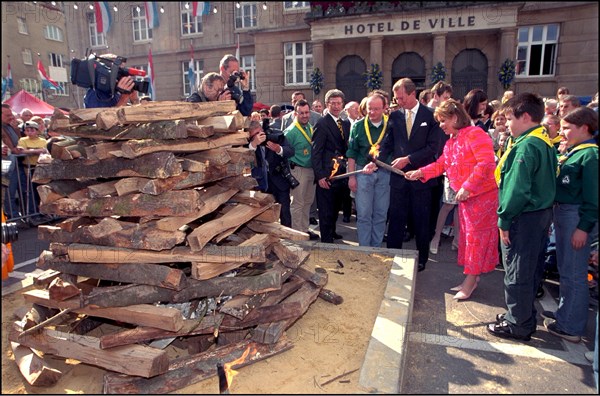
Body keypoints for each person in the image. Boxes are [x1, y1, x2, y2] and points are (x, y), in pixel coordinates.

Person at [405, 99, 499, 299]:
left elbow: (486, 163)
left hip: (482, 198)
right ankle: (473, 277)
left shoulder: (475, 134)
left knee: (476, 240)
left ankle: (470, 282)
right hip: (467, 199)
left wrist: (467, 186)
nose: (440, 125)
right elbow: (441, 165)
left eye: (442, 120)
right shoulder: (452, 141)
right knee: (468, 239)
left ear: (455, 117)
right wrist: (420, 172)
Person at [488, 93, 558, 341]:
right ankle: (523, 315)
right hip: (538, 215)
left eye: (509, 118)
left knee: (517, 272)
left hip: (523, 217)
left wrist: (504, 220)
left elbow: (517, 189)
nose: (506, 124)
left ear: (525, 117)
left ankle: (518, 324)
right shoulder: (541, 139)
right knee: (530, 269)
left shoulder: (528, 146)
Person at [368, 78, 444, 271]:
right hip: (399, 178)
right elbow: (387, 143)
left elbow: (433, 148)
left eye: (401, 97)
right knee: (396, 219)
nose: (398, 101)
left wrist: (408, 159)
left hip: (421, 177)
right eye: (396, 98)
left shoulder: (431, 115)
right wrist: (375, 161)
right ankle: (393, 255)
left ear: (412, 94)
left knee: (421, 219)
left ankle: (421, 258)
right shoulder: (395, 116)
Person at [543, 107, 598, 343]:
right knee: (567, 269)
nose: (562, 132)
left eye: (567, 128)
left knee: (574, 273)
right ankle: (565, 314)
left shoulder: (591, 156)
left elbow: (593, 197)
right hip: (564, 214)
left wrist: (583, 228)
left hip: (575, 217)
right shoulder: (575, 151)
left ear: (584, 128)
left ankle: (571, 326)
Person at [346, 93, 390, 247]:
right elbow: (351, 152)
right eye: (370, 109)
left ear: (385, 108)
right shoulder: (358, 126)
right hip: (362, 173)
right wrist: (351, 177)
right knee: (364, 214)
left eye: (377, 109)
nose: (372, 112)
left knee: (380, 213)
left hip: (385, 173)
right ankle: (364, 248)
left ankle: (376, 247)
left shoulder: (390, 125)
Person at [311, 89, 350, 243]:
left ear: (342, 104)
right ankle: (326, 240)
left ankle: (332, 231)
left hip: (341, 174)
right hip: (327, 174)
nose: (335, 106)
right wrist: (320, 176)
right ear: (327, 104)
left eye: (338, 103)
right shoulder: (322, 123)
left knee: (335, 208)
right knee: (326, 210)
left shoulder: (345, 123)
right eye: (332, 103)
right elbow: (316, 152)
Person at [247, 120, 295, 227]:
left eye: (260, 132)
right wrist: (254, 144)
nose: (260, 136)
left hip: (279, 181)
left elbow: (291, 151)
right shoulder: (249, 143)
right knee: (265, 216)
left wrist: (279, 149)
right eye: (255, 134)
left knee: (285, 213)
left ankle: (288, 240)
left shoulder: (275, 134)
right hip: (261, 184)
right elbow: (245, 157)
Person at [284, 99, 318, 240]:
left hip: (311, 170)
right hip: (298, 170)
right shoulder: (290, 131)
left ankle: (304, 229)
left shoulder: (310, 127)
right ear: (295, 114)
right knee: (297, 203)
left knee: (308, 201)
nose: (304, 115)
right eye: (301, 113)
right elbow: (284, 152)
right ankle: (297, 233)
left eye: (306, 112)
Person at [17, 121, 49, 219]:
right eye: (27, 130)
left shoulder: (43, 141)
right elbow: (21, 150)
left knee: (41, 191)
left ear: (37, 131)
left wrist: (30, 151)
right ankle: (34, 213)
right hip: (28, 168)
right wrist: (36, 151)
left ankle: (44, 211)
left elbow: (45, 151)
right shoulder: (23, 140)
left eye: (32, 130)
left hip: (40, 168)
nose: (29, 132)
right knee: (30, 191)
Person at [2, 104, 25, 219]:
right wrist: (12, 150)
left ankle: (15, 215)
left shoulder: (10, 126)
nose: (11, 117)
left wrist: (16, 129)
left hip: (14, 162)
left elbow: (19, 141)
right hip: (4, 164)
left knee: (15, 189)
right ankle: (11, 216)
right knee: (7, 191)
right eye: (8, 115)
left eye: (11, 114)